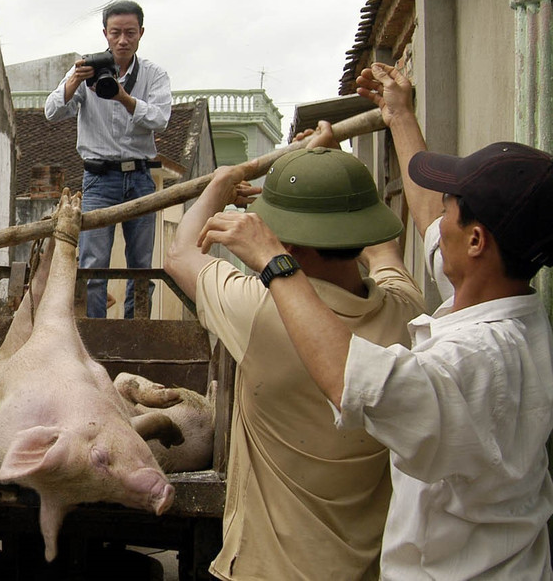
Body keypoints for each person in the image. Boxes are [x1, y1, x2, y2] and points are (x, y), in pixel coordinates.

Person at [207, 61, 553, 578]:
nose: (440, 221)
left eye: (455, 210)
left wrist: (275, 261)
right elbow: (425, 222)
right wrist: (397, 117)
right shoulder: (499, 296)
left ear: (477, 241)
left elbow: (353, 380)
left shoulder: (478, 362)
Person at [164, 126, 426, 580]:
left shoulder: (259, 311)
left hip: (268, 570)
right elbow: (384, 251)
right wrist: (331, 174)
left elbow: (180, 254)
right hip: (368, 569)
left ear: (283, 243)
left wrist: (221, 184)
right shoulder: (406, 312)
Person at [44, 0, 171, 318]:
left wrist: (123, 98)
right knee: (92, 265)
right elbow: (52, 112)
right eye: (116, 33)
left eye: (130, 32)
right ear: (105, 33)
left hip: (141, 177)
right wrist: (75, 80)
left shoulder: (154, 75)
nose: (123, 40)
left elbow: (159, 119)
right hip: (99, 178)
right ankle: (96, 338)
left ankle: (134, 333)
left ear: (141, 33)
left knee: (141, 266)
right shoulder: (87, 68)